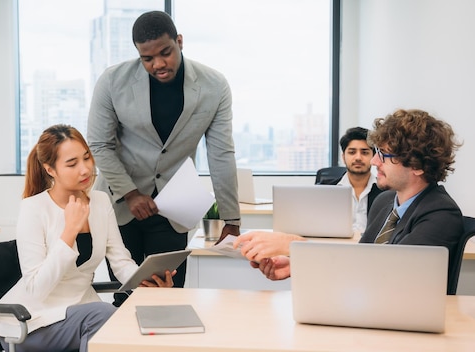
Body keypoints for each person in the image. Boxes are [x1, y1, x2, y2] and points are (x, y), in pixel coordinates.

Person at [87, 10, 241, 305]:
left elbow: (221, 153)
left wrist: (230, 219)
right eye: (147, 58)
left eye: (165, 53)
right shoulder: (112, 81)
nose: (158, 64)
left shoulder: (214, 86)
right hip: (120, 206)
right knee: (127, 298)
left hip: (172, 208)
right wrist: (131, 193)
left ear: (179, 42)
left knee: (169, 295)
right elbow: (99, 144)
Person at [0, 124, 174, 352]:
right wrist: (69, 232)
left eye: (86, 158)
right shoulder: (34, 208)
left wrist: (144, 281)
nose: (85, 170)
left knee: (129, 324)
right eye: (72, 164)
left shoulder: (101, 202)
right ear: (50, 169)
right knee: (104, 316)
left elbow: (121, 262)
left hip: (84, 314)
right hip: (32, 323)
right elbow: (36, 289)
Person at [234, 109, 463, 282]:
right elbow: (360, 263)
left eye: (384, 155)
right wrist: (299, 264)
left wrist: (294, 244)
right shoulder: (385, 202)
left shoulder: (441, 214)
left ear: (418, 165)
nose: (374, 162)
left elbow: (389, 274)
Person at [318, 127, 383, 232]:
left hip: (370, 247)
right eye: (352, 152)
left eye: (365, 153)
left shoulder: (386, 191)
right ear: (343, 157)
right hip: (336, 246)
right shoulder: (325, 190)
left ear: (373, 157)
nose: (358, 158)